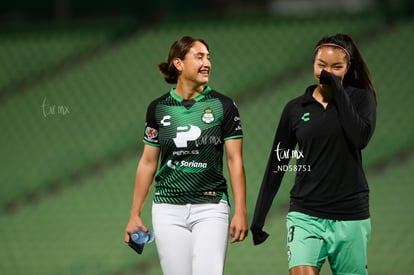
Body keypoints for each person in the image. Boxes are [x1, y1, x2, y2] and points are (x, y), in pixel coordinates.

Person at [250, 33, 377, 275]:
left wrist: (337, 90)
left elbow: (360, 138)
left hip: (350, 215)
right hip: (305, 213)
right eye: (321, 65)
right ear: (313, 65)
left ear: (348, 68)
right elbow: (278, 163)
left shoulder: (362, 99)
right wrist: (259, 217)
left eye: (336, 67)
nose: (326, 72)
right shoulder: (295, 109)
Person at [124, 36, 248, 275]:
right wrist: (134, 214)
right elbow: (148, 162)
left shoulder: (224, 105)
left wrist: (241, 211)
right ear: (179, 64)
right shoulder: (158, 108)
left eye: (208, 58)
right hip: (167, 208)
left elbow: (235, 161)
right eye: (199, 57)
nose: (207, 63)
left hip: (211, 205)